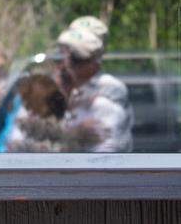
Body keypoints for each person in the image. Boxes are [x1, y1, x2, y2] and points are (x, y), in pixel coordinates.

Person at [55, 23, 134, 152]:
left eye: (75, 59)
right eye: (60, 56)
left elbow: (107, 153)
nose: (64, 65)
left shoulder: (107, 96)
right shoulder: (57, 92)